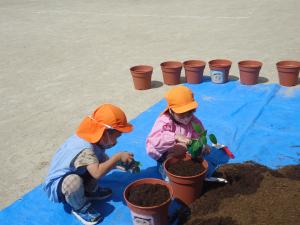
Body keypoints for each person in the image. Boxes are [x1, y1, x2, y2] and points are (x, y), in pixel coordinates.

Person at [43, 104, 134, 225]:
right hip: (60, 184)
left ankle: (89, 192)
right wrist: (117, 156)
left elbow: (103, 161)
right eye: (116, 136)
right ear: (105, 132)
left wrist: (118, 164)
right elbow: (97, 173)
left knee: (98, 163)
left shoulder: (95, 139)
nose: (116, 141)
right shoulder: (85, 149)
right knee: (73, 181)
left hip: (78, 172)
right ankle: (80, 207)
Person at [146, 86, 229, 182]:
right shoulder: (164, 121)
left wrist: (202, 145)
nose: (186, 119)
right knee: (172, 178)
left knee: (205, 167)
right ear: (171, 111)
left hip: (184, 151)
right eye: (181, 115)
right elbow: (155, 140)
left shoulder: (194, 122)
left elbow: (199, 135)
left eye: (189, 114)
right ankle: (164, 169)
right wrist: (176, 137)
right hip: (164, 152)